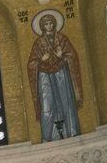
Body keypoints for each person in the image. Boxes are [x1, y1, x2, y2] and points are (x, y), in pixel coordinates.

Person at [27, 13, 82, 141]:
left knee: (67, 101)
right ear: (42, 26)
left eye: (51, 23)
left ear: (54, 24)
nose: (49, 26)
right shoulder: (38, 43)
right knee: (47, 105)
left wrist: (62, 56)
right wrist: (41, 60)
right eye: (46, 24)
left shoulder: (62, 39)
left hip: (61, 72)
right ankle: (48, 137)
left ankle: (72, 132)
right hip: (44, 75)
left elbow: (72, 55)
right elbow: (31, 63)